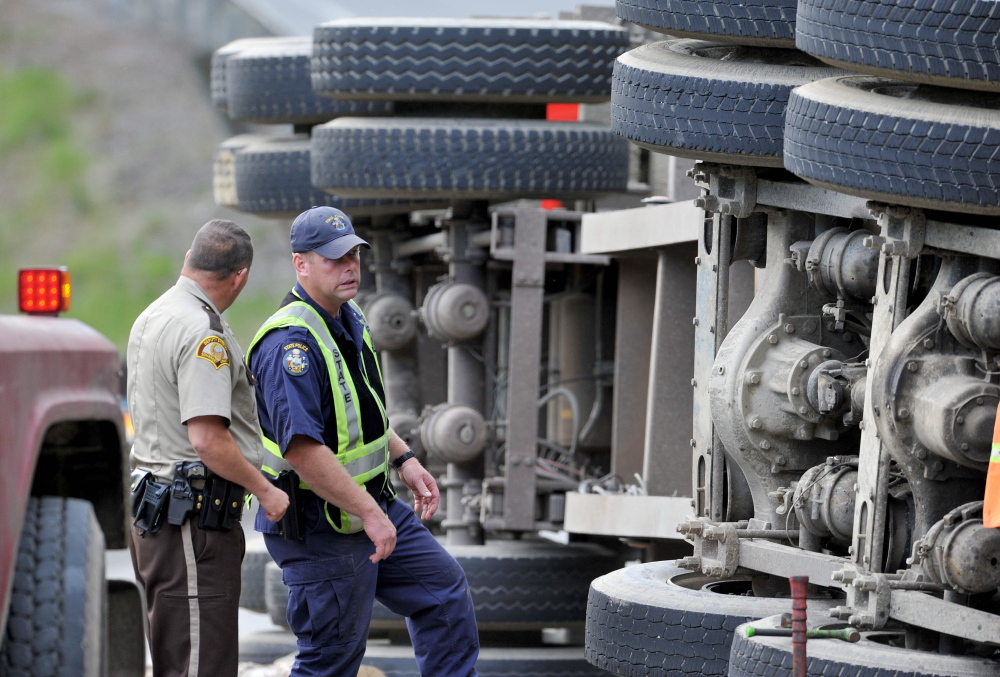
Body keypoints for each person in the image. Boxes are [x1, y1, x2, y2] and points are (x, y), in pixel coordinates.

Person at [247, 206, 480, 677]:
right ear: (301, 264)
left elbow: (360, 411)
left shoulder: (347, 316)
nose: (350, 266)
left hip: (368, 507)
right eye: (334, 258)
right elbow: (302, 450)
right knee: (332, 660)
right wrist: (372, 514)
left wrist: (405, 459)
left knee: (444, 594)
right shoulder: (289, 344)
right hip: (320, 525)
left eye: (353, 254)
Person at [126, 219, 290, 677]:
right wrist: (268, 491)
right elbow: (208, 440)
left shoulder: (153, 315)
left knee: (178, 659)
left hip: (159, 514)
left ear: (187, 261)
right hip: (192, 525)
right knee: (201, 665)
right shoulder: (204, 333)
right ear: (241, 276)